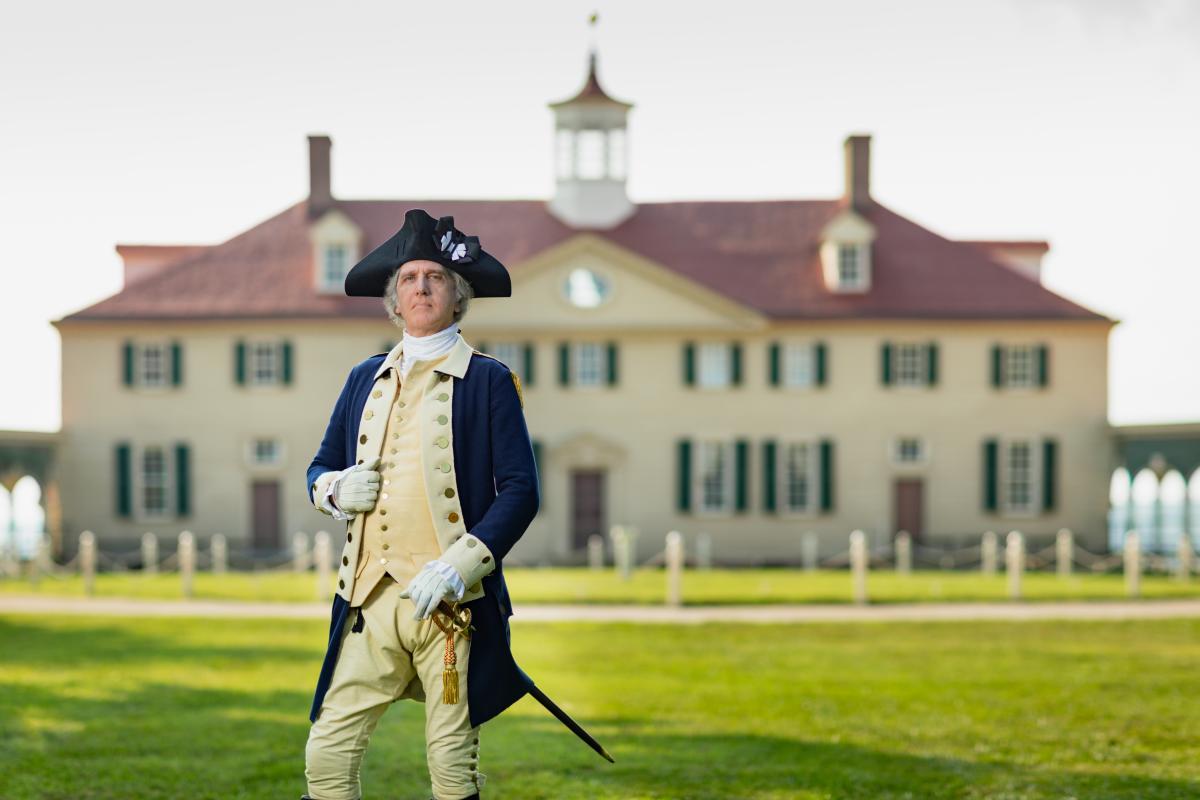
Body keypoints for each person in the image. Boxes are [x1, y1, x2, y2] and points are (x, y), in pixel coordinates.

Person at [302, 208, 539, 800]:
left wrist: (461, 565)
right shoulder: (363, 377)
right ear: (395, 298)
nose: (421, 287)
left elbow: (520, 491)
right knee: (327, 756)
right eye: (409, 278)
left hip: (451, 606)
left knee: (451, 769)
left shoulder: (488, 380)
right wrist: (332, 490)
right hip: (368, 596)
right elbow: (319, 465)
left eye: (435, 277)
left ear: (457, 295)